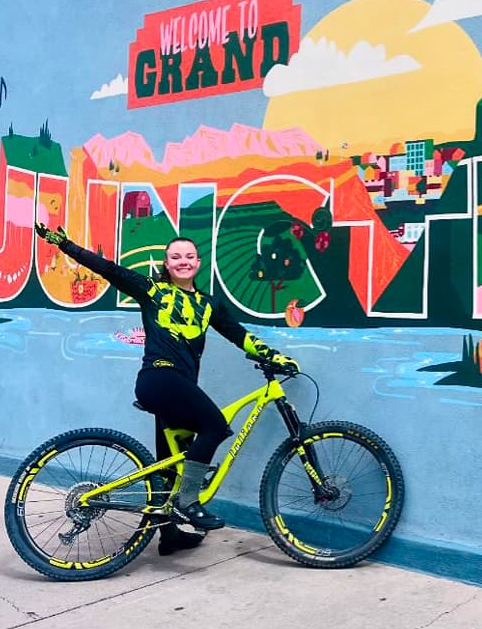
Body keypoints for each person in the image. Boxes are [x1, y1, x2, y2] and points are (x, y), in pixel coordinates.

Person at [33, 223, 298, 546]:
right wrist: (66, 245)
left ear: (198, 262)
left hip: (179, 389)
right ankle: (188, 502)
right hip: (159, 379)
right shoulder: (152, 290)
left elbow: (239, 335)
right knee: (215, 425)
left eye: (189, 256)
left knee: (172, 467)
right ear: (167, 264)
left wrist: (274, 356)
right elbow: (108, 269)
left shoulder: (209, 304)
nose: (183, 261)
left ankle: (169, 536)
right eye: (176, 257)